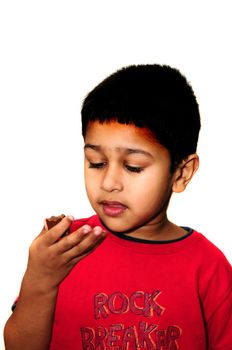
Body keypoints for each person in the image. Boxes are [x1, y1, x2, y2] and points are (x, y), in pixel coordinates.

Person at [4, 64, 232, 350]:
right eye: (96, 163)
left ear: (182, 173)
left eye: (133, 167)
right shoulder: (66, 247)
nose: (109, 182)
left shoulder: (208, 268)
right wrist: (41, 280)